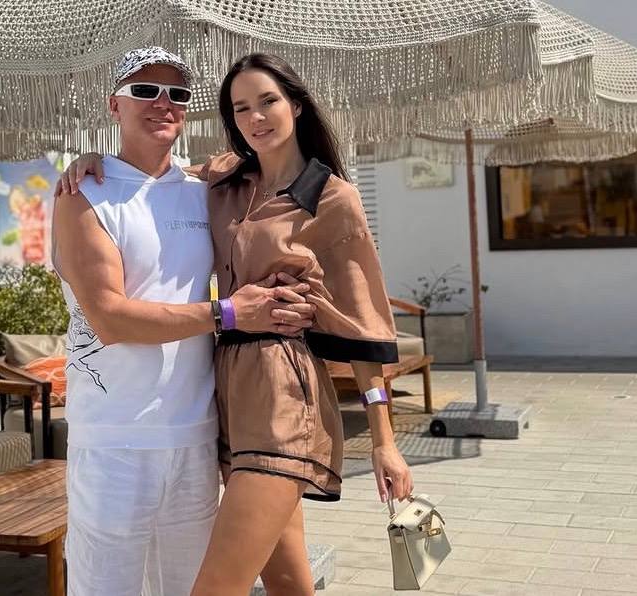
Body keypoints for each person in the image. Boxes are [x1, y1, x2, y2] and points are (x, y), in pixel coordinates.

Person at [62, 52, 414, 596]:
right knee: (288, 583)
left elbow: (364, 324)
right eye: (241, 107)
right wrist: (93, 161)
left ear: (296, 105)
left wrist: (384, 441)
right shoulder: (223, 182)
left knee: (215, 586)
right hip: (221, 400)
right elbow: (151, 177)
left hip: (281, 395)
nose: (256, 117)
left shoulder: (332, 197)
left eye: (268, 101)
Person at [51, 47, 315, 596]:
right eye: (145, 91)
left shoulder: (204, 191)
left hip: (196, 435)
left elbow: (275, 166)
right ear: (114, 105)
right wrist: (230, 313)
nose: (163, 103)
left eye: (178, 94)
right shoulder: (85, 193)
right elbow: (110, 318)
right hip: (115, 440)